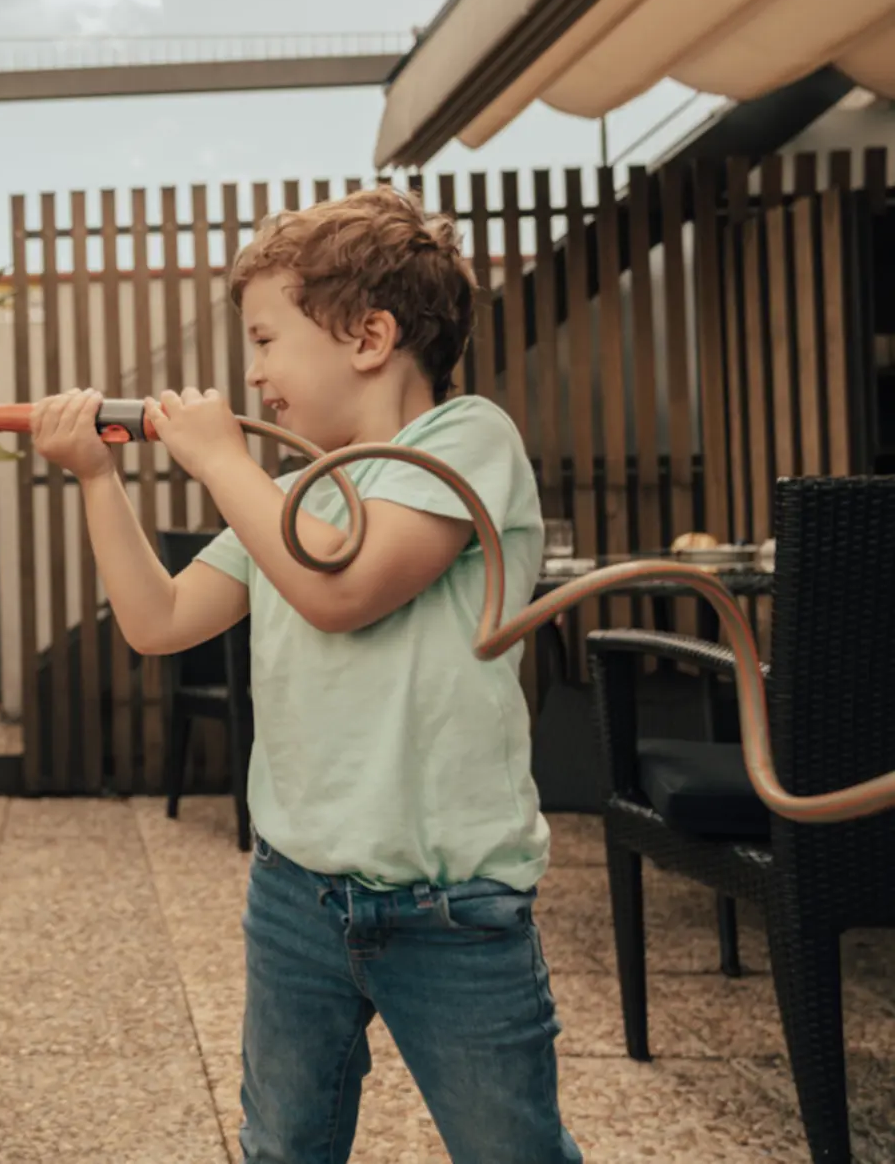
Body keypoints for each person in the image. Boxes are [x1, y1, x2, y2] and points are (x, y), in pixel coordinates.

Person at [30, 185, 578, 1163]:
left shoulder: (466, 445)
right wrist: (95, 479)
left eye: (266, 339)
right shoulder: (282, 495)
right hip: (296, 898)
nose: (252, 370)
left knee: (510, 1150)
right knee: (282, 1144)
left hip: (451, 904)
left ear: (368, 335)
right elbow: (158, 621)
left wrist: (218, 461)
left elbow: (344, 586)